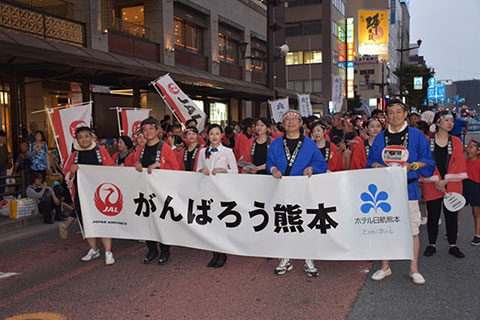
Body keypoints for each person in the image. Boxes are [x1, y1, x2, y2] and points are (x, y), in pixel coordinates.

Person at [367, 99, 435, 285]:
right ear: (386, 116)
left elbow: (428, 161)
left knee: (412, 230)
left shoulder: (417, 135)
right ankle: (385, 267)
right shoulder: (381, 137)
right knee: (385, 228)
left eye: (399, 112)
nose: (395, 116)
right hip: (384, 192)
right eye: (391, 112)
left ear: (405, 114)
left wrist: (412, 165)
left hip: (409, 188)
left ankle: (414, 269)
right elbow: (370, 161)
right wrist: (378, 165)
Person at [266, 110, 328, 277]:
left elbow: (320, 163)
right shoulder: (276, 143)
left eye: (294, 120)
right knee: (285, 223)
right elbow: (269, 162)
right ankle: (286, 258)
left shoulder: (309, 144)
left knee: (306, 223)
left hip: (304, 190)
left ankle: (308, 258)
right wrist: (272, 169)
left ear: (301, 123)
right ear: (282, 125)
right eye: (287, 120)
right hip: (282, 189)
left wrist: (312, 168)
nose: (291, 122)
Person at [63, 126, 116, 265]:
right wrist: (72, 172)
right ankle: (93, 249)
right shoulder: (74, 155)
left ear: (91, 137)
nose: (84, 139)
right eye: (80, 137)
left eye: (86, 136)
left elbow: (111, 169)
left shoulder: (101, 151)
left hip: (100, 194)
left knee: (103, 221)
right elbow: (67, 175)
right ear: (77, 139)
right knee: (86, 222)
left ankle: (108, 251)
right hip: (82, 195)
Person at [421, 111, 467, 259]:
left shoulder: (456, 141)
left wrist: (445, 181)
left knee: (452, 215)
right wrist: (436, 180)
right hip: (432, 183)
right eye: (446, 120)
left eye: (452, 121)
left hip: (451, 183)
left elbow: (458, 162)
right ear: (438, 123)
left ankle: (453, 245)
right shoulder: (427, 140)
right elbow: (425, 161)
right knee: (432, 215)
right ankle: (431, 244)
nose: (450, 123)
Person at [134, 117, 179, 265]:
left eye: (151, 129)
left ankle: (165, 251)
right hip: (145, 193)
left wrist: (160, 166)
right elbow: (130, 169)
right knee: (147, 222)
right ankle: (152, 249)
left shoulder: (164, 148)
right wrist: (136, 164)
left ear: (158, 130)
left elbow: (176, 170)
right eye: (144, 130)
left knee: (162, 222)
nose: (147, 132)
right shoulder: (140, 150)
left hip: (161, 193)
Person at [197, 124, 238, 268]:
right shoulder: (203, 152)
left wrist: (223, 170)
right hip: (207, 191)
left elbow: (236, 171)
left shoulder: (227, 151)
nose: (214, 136)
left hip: (222, 191)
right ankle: (214, 253)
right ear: (207, 136)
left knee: (220, 223)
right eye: (211, 134)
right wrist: (202, 170)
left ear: (222, 136)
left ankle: (222, 253)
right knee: (210, 223)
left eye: (217, 133)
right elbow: (197, 169)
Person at [463, 139, 480, 245]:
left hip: (476, 186)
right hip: (464, 184)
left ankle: (477, 235)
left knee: (476, 212)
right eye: (468, 147)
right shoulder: (464, 161)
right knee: (456, 208)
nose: (467, 149)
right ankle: (453, 231)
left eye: (471, 148)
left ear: (478, 152)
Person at [0, 130, 11, 195]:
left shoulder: (4, 145)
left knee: (3, 179)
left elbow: (6, 153)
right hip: (2, 164)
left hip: (3, 164)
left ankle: (2, 193)